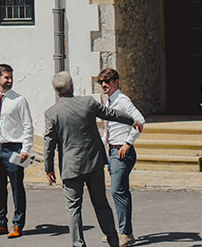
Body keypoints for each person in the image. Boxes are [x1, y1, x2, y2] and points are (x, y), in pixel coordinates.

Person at [44, 71, 141, 247]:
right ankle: (113, 239)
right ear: (72, 86)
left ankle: (78, 244)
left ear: (57, 92)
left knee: (73, 209)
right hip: (94, 163)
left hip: (70, 167)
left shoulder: (52, 113)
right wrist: (132, 120)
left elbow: (49, 144)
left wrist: (48, 168)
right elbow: (110, 114)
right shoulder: (87, 102)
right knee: (101, 203)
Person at [0, 63, 33, 238]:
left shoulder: (19, 100)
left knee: (17, 187)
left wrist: (26, 148)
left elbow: (27, 126)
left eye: (11, 77)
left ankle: (17, 224)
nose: (9, 81)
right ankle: (0, 222)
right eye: (6, 77)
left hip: (15, 148)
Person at [97, 68, 145, 247]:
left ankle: (124, 233)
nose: (103, 85)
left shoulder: (123, 101)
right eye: (101, 82)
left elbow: (140, 122)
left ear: (116, 82)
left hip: (122, 152)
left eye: (107, 81)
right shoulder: (109, 101)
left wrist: (128, 143)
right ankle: (123, 231)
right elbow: (109, 129)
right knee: (120, 191)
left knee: (117, 190)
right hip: (112, 151)